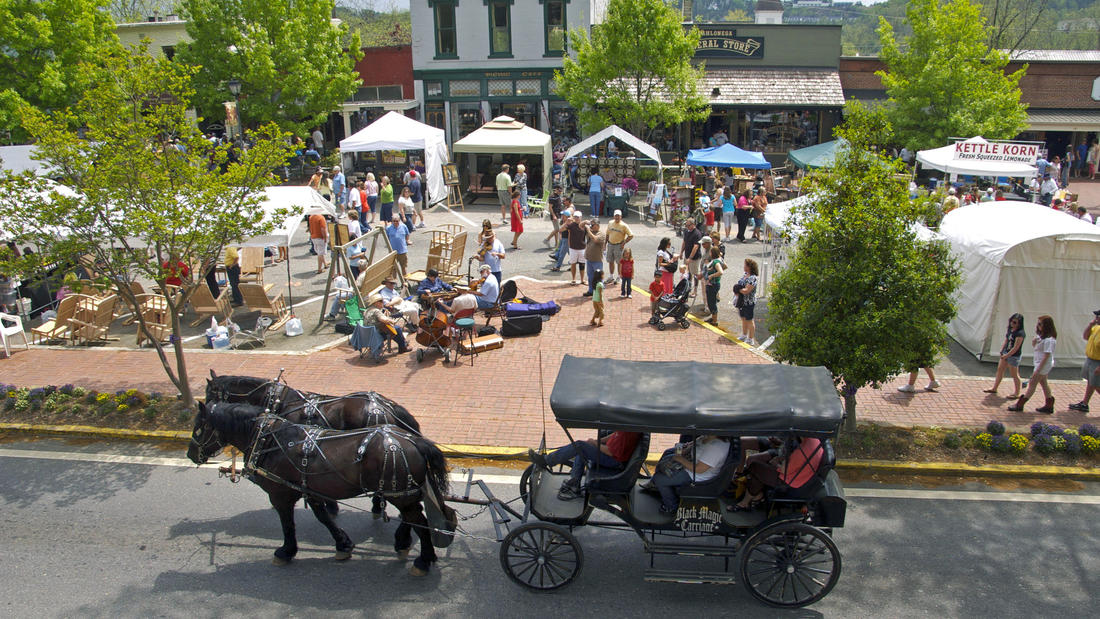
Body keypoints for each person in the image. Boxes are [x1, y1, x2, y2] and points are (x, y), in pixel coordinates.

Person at [527, 431, 643, 501]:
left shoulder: (629, 432)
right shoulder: (627, 426)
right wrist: (598, 441)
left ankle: (546, 461)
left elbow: (611, 452)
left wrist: (595, 444)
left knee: (580, 446)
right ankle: (574, 482)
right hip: (613, 455)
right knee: (582, 448)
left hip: (614, 461)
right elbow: (615, 435)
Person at [731, 437, 824, 512]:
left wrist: (776, 462)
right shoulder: (813, 441)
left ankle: (748, 501)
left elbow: (783, 469)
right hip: (798, 476)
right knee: (757, 469)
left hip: (789, 481)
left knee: (755, 466)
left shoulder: (803, 450)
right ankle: (755, 498)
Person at [652, 435, 729, 514]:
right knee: (667, 456)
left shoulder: (716, 448)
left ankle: (671, 506)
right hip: (691, 463)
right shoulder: (704, 437)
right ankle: (658, 486)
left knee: (659, 479)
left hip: (698, 476)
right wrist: (682, 448)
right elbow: (687, 448)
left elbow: (699, 469)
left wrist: (680, 459)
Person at [1009, 315, 1058, 413]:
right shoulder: (1041, 336)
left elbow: (1046, 356)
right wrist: (1034, 342)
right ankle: (1049, 404)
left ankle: (1020, 404)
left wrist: (1038, 370)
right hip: (1039, 363)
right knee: (1044, 383)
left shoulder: (1049, 340)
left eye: (1040, 324)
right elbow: (1036, 347)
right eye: (1038, 323)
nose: (1038, 326)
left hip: (1043, 364)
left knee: (1032, 384)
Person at [983, 313, 1025, 398]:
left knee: (1014, 374)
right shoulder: (1010, 329)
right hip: (1006, 352)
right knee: (1000, 370)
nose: (1012, 324)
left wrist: (1007, 355)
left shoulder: (1020, 333)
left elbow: (1016, 347)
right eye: (1012, 322)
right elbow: (1006, 340)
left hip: (1014, 356)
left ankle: (1017, 393)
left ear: (1019, 324)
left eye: (1015, 323)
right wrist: (1002, 350)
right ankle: (995, 388)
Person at [1069, 310, 1100, 413]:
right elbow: (1085, 337)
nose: (1096, 318)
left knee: (1096, 385)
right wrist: (1090, 325)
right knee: (1091, 382)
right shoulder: (1096, 328)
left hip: (1098, 362)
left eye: (1097, 316)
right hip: (1090, 359)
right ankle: (1084, 404)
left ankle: (1085, 403)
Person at [604, 210, 633, 285]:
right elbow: (607, 234)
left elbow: (631, 235)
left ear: (621, 216)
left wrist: (624, 242)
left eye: (618, 216)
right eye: (616, 215)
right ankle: (611, 276)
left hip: (618, 245)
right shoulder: (610, 223)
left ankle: (619, 276)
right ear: (614, 216)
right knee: (610, 261)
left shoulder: (624, 225)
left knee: (619, 262)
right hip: (610, 244)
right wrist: (605, 244)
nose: (617, 217)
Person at [734, 258, 758, 345]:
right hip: (742, 301)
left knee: (749, 320)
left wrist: (738, 289)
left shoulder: (753, 278)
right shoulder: (745, 274)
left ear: (749, 267)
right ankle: (744, 335)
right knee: (743, 318)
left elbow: (747, 290)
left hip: (749, 302)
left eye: (745, 265)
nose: (744, 267)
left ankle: (750, 338)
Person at [680, 219, 704, 296]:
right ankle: (687, 288)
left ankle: (695, 291)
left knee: (695, 274)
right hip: (687, 256)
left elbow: (696, 247)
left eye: (688, 225)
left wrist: (690, 258)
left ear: (693, 224)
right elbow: (684, 242)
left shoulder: (697, 233)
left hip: (694, 258)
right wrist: (681, 252)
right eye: (686, 225)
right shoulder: (686, 232)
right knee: (687, 273)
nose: (687, 227)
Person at [701, 246, 724, 326]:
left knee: (712, 302)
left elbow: (721, 272)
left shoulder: (716, 262)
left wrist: (712, 276)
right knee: (711, 301)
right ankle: (713, 317)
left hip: (713, 285)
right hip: (711, 284)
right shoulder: (718, 260)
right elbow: (724, 266)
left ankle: (714, 321)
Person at [583, 220, 606, 298]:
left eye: (593, 225)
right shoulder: (590, 231)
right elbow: (580, 226)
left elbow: (595, 239)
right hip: (589, 259)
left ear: (597, 225)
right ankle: (591, 291)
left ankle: (599, 293)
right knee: (590, 277)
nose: (591, 226)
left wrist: (589, 231)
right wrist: (585, 222)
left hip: (597, 260)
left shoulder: (602, 234)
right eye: (591, 225)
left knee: (598, 278)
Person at [564, 212, 587, 286]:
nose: (577, 218)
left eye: (578, 217)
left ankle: (582, 279)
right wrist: (566, 223)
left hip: (582, 247)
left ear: (581, 218)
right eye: (575, 217)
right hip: (573, 248)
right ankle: (573, 279)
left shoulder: (584, 226)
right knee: (573, 263)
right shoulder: (571, 225)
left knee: (582, 264)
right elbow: (561, 230)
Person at [543, 184, 564, 249]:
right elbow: (550, 207)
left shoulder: (558, 196)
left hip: (558, 214)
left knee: (556, 229)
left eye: (561, 191)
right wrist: (554, 215)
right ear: (556, 190)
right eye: (559, 191)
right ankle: (547, 239)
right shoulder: (552, 197)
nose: (560, 192)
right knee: (557, 229)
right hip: (555, 214)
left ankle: (556, 243)